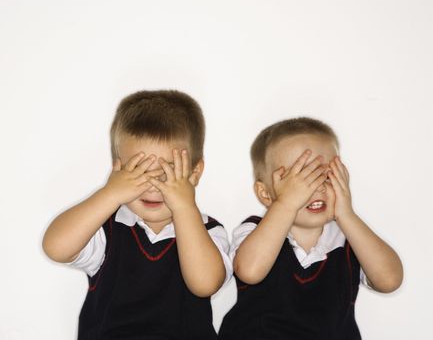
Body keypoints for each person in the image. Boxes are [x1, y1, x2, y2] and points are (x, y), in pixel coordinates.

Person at [42, 90, 232, 339]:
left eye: (166, 171)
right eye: (138, 171)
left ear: (195, 173)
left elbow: (205, 284)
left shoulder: (207, 231)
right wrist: (110, 194)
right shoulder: (107, 229)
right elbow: (55, 247)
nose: (152, 185)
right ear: (118, 170)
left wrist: (185, 208)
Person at [219, 117, 403, 340]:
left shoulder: (350, 238)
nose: (315, 188)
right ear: (265, 193)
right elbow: (250, 271)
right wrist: (286, 204)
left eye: (325, 176)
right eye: (299, 180)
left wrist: (346, 215)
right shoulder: (255, 231)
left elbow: (390, 280)